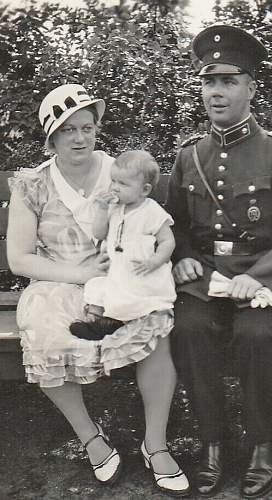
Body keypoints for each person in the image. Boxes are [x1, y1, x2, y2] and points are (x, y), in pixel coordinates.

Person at [165, 25, 272, 498]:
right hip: (205, 279)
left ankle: (262, 447)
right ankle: (212, 445)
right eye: (208, 81)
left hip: (265, 279)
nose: (216, 92)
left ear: (251, 88)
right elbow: (172, 222)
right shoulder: (190, 155)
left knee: (257, 335)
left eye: (229, 81)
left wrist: (259, 277)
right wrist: (180, 257)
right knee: (189, 329)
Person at [6, 84, 190, 497]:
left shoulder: (119, 172)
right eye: (68, 129)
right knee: (42, 332)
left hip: (121, 279)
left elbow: (156, 223)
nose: (79, 138)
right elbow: (19, 259)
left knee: (154, 330)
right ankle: (91, 438)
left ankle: (155, 444)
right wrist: (78, 273)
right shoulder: (32, 185)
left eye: (87, 127)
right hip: (58, 281)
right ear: (51, 137)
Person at [69, 149, 177, 341]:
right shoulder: (114, 208)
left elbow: (167, 241)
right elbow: (99, 234)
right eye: (114, 181)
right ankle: (95, 321)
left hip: (140, 271)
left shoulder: (151, 210)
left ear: (145, 189)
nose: (115, 188)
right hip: (117, 269)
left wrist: (156, 261)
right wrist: (102, 210)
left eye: (123, 184)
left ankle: (113, 323)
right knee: (99, 287)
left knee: (129, 296)